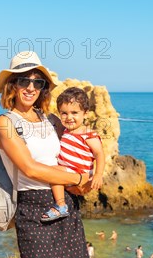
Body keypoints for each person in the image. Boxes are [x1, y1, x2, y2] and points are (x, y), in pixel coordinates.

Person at [0, 51, 92, 258]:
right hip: (35, 208)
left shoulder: (51, 119)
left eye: (37, 81)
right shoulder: (5, 123)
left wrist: (91, 172)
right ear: (12, 83)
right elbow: (30, 168)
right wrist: (76, 177)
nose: (31, 87)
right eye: (24, 79)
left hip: (65, 202)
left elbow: (75, 144)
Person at [40, 87, 105, 222]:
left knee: (51, 172)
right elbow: (51, 118)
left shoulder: (88, 134)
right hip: (69, 179)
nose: (69, 117)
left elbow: (99, 154)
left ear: (85, 114)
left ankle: (61, 205)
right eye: (64, 113)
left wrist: (98, 175)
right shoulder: (65, 131)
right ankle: (62, 203)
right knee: (53, 172)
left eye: (74, 113)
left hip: (79, 173)